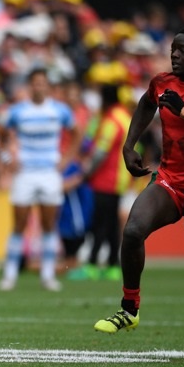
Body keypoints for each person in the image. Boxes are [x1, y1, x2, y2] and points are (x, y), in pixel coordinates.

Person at [93, 26, 184, 360]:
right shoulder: (162, 82)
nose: (174, 55)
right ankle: (129, 309)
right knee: (132, 232)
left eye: (182, 50)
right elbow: (147, 105)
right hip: (169, 181)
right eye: (173, 49)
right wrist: (129, 145)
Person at [0, 67, 80, 292]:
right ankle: (10, 274)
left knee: (48, 225)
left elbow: (76, 133)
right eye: (35, 83)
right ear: (30, 86)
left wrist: (66, 160)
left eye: (42, 83)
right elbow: (0, 134)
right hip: (24, 173)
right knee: (19, 225)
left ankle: (47, 275)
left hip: (50, 174)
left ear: (48, 86)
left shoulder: (59, 110)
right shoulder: (18, 111)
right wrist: (7, 158)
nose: (39, 86)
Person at [78, 81, 132, 281]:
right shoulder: (124, 116)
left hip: (106, 178)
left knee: (99, 223)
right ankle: (112, 266)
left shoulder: (112, 120)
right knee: (110, 224)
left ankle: (92, 264)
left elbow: (101, 151)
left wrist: (87, 172)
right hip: (119, 178)